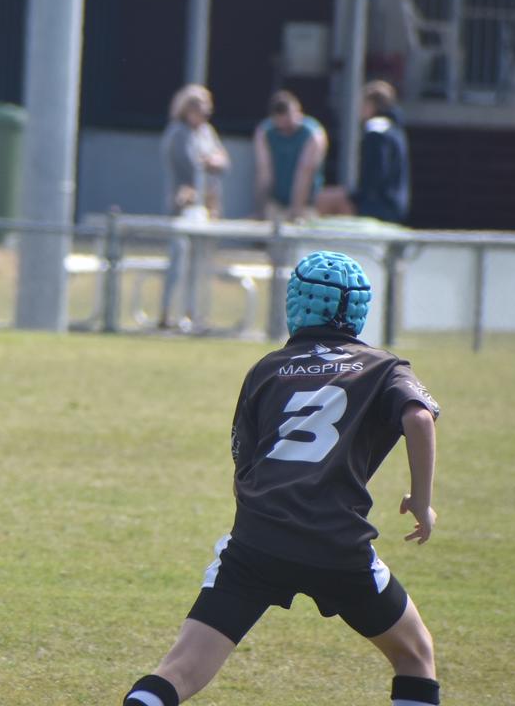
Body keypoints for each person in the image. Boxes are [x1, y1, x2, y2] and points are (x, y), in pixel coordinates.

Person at [119, 250, 442, 706]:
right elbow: (420, 418)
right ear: (359, 310)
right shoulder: (383, 367)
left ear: (296, 303)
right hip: (338, 545)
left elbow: (243, 468)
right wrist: (422, 500)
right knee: (415, 654)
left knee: (179, 671)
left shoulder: (267, 369)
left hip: (257, 544)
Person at [158, 84, 229, 331]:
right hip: (183, 207)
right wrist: (209, 162)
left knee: (201, 263)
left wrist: (212, 162)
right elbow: (190, 166)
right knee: (178, 261)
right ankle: (167, 314)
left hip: (206, 206)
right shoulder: (178, 133)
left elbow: (221, 160)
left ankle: (193, 314)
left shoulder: (206, 132)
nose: (204, 115)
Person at [316, 80, 410, 224]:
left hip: (379, 203)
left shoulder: (376, 131)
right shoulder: (394, 129)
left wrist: (358, 197)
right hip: (394, 202)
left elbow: (376, 171)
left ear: (371, 105)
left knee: (323, 199)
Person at [254, 90, 327, 221]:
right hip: (275, 204)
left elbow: (305, 171)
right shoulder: (265, 132)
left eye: (289, 126)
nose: (285, 132)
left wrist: (296, 211)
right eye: (281, 128)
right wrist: (260, 210)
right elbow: (264, 173)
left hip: (306, 206)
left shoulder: (313, 134)